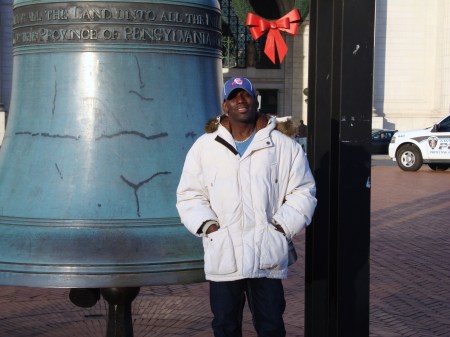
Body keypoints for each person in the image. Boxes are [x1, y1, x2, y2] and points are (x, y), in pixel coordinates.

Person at [176, 77, 317, 337]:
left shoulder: (283, 147)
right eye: (234, 96)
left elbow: (303, 191)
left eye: (247, 95)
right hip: (224, 254)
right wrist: (209, 225)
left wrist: (280, 226)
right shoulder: (204, 148)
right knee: (225, 327)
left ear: (255, 100)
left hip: (267, 254)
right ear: (225, 105)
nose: (241, 100)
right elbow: (190, 195)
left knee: (271, 326)